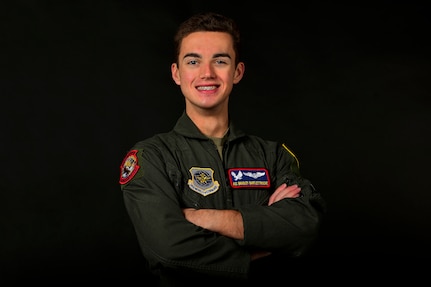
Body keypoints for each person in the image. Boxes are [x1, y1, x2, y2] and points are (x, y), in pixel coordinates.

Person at [119, 11, 326, 286]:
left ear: (237, 72)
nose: (207, 73)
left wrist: (202, 217)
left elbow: (304, 227)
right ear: (176, 73)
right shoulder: (152, 157)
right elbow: (169, 248)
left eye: (220, 60)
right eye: (193, 61)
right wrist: (264, 244)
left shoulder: (272, 156)